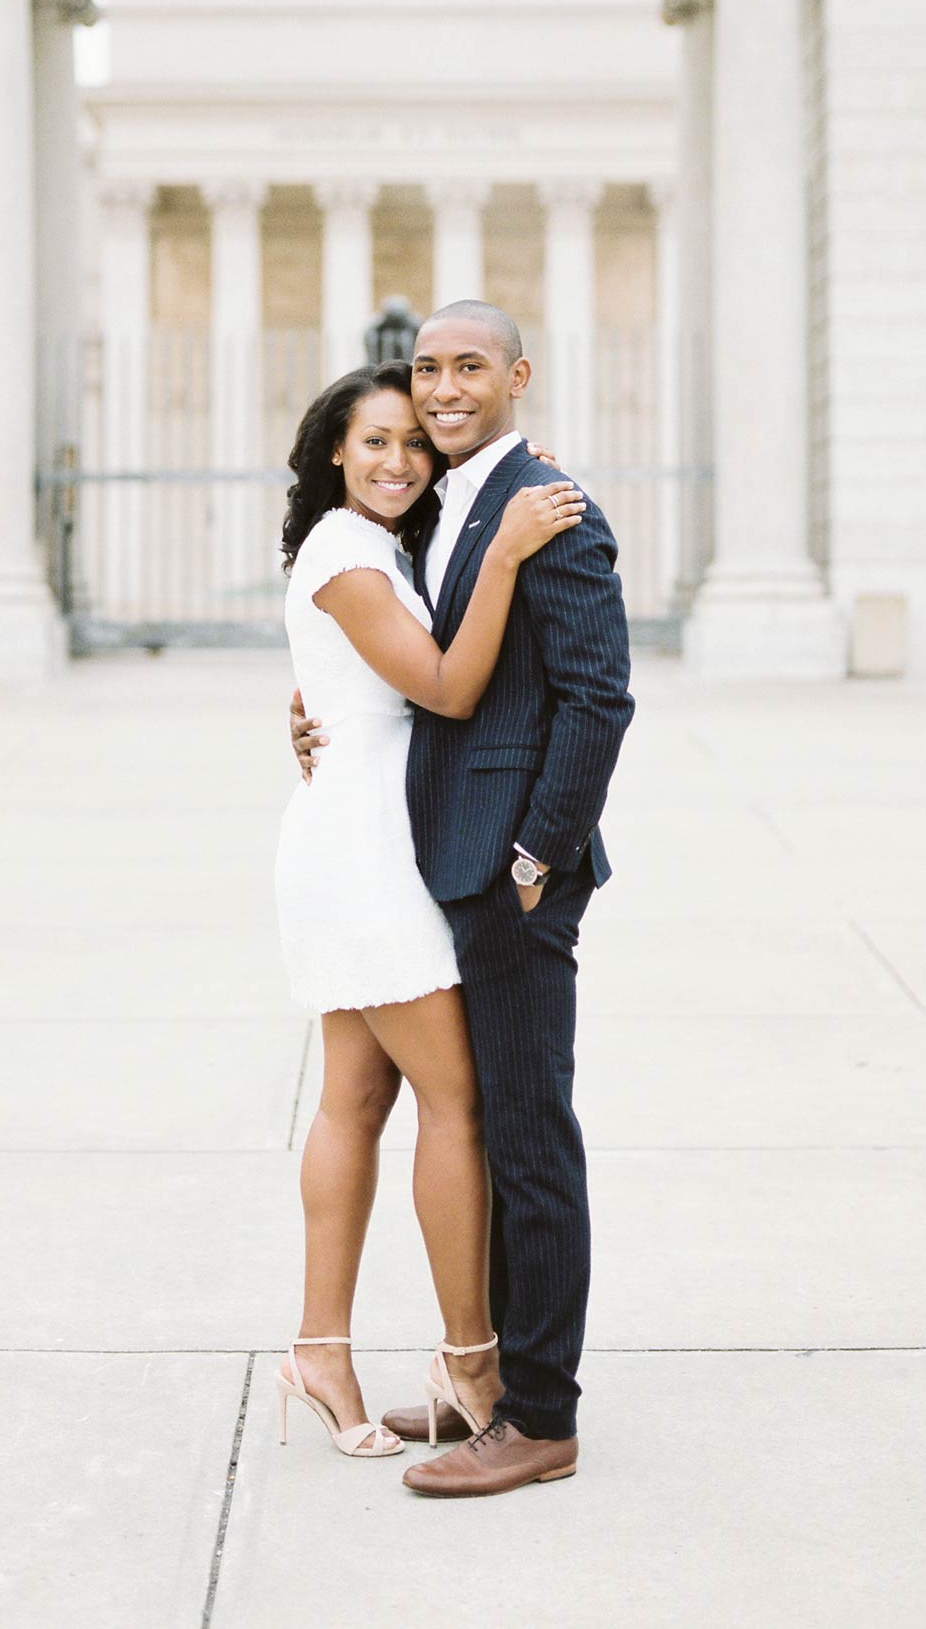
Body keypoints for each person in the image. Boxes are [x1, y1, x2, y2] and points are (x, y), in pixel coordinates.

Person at [292, 301, 635, 1499]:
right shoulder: (442, 510)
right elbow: (410, 677)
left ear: (518, 376)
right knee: (471, 1116)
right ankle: (470, 1379)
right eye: (428, 368)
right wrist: (322, 726)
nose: (441, 390)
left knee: (524, 1134)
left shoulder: (548, 508)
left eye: (467, 367)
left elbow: (598, 699)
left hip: (506, 871)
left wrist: (542, 851)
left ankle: (536, 1414)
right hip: (428, 857)